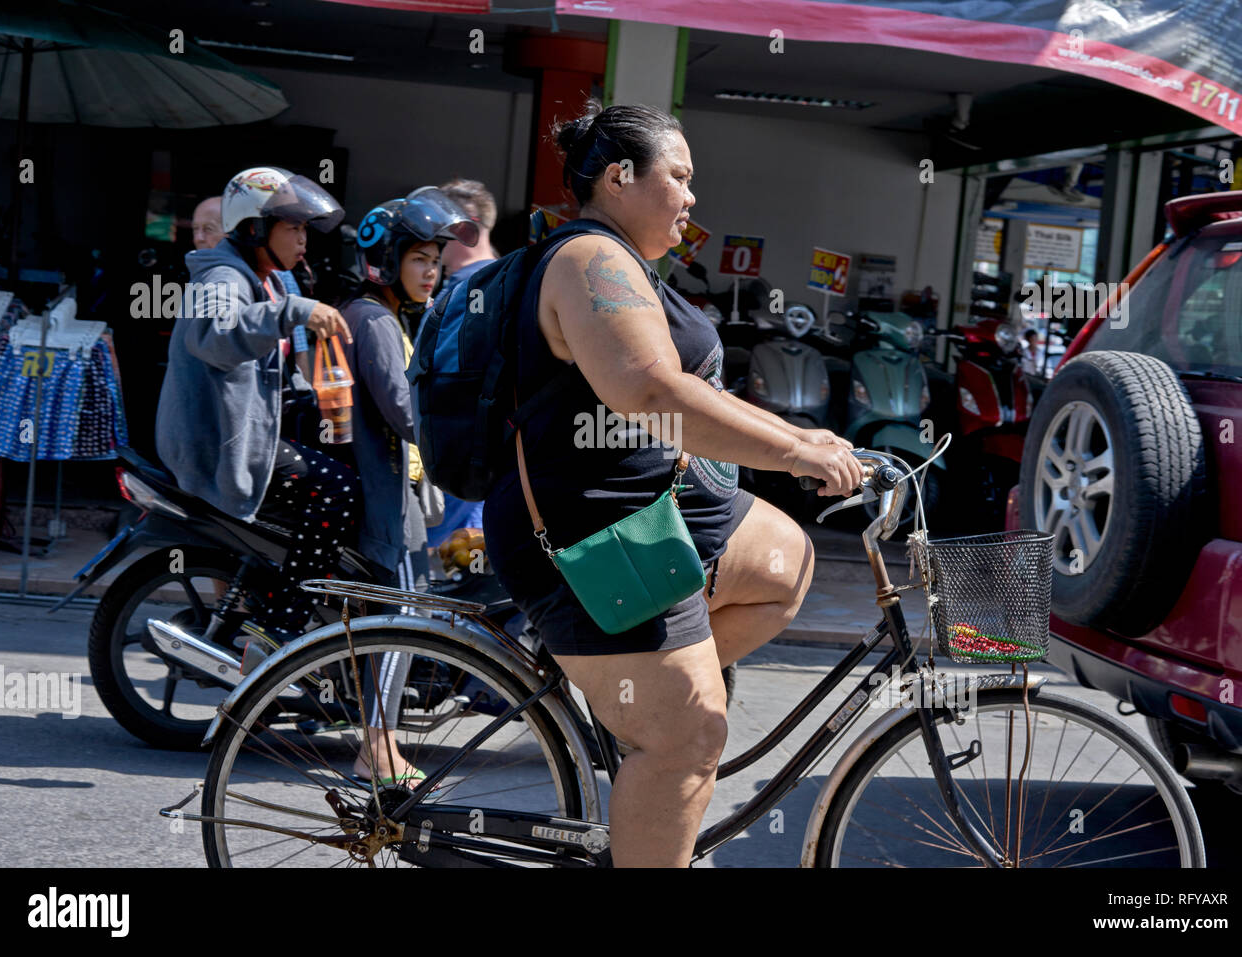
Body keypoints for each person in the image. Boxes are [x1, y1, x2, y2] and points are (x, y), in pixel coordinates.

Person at [482, 101, 864, 867]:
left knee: (785, 559)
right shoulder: (591, 262)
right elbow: (652, 393)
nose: (692, 197)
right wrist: (793, 456)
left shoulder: (629, 263)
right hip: (593, 531)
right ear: (620, 177)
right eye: (679, 176)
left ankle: (635, 706)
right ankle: (659, 739)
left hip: (661, 506)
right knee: (692, 736)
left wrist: (803, 437)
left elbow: (698, 389)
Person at [156, 166, 357, 648]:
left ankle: (279, 601)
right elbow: (215, 335)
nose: (303, 239)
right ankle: (279, 628)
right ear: (254, 228)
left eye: (305, 227)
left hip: (249, 435)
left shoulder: (272, 280)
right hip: (219, 446)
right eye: (293, 227)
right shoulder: (221, 275)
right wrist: (294, 312)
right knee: (337, 489)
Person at [340, 187, 480, 784]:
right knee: (404, 617)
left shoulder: (392, 317)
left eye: (436, 259)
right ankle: (377, 748)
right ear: (388, 259)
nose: (433, 270)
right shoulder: (372, 319)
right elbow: (404, 411)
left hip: (397, 491)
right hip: (385, 499)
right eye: (420, 258)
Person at [426, 178, 501, 557]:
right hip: (482, 465)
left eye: (435, 223)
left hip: (461, 464)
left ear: (464, 226)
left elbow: (446, 381)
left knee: (447, 597)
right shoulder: (498, 279)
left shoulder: (471, 288)